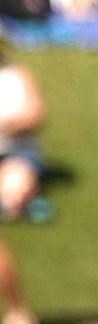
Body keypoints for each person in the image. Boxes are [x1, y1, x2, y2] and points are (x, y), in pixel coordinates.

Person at [0, 35, 46, 220]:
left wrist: (7, 126)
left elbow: (36, 115)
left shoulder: (17, 76)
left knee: (15, 187)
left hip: (16, 152)